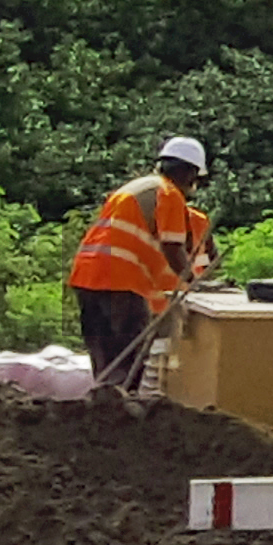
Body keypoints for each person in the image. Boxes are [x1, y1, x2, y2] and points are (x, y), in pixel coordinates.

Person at [66, 135, 214, 403]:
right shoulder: (168, 194)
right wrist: (195, 283)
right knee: (128, 362)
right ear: (189, 172)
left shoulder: (136, 187)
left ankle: (100, 416)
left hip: (87, 277)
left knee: (106, 362)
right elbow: (172, 247)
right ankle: (119, 420)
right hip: (119, 282)